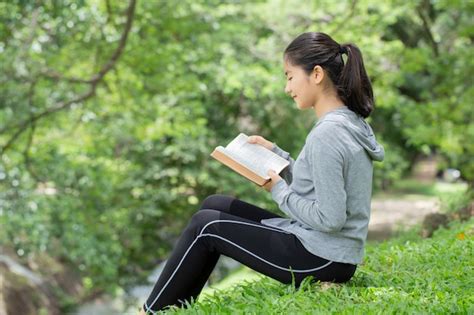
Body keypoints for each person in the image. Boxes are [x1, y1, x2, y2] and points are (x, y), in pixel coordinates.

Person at [138, 31, 385, 314]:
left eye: (290, 76)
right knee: (216, 205)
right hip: (329, 250)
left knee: (205, 225)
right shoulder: (345, 123)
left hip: (324, 258)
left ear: (316, 74)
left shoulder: (328, 133)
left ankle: (151, 311)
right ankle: (176, 308)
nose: (287, 87)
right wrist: (278, 156)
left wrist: (277, 189)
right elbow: (320, 181)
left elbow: (330, 219)